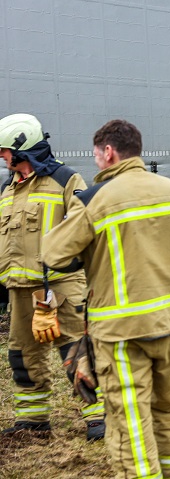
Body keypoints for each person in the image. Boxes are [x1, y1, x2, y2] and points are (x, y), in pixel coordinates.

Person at [41, 120, 170, 479]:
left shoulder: (93, 201)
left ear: (109, 153)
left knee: (129, 419)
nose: (96, 163)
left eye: (97, 156)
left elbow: (52, 253)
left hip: (119, 334)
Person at [0, 113, 105, 441]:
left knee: (76, 352)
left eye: (4, 150)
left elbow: (84, 226)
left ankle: (98, 419)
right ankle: (33, 421)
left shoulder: (65, 179)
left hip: (60, 285)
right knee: (21, 355)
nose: (1, 156)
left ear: (22, 147)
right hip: (19, 291)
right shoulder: (7, 188)